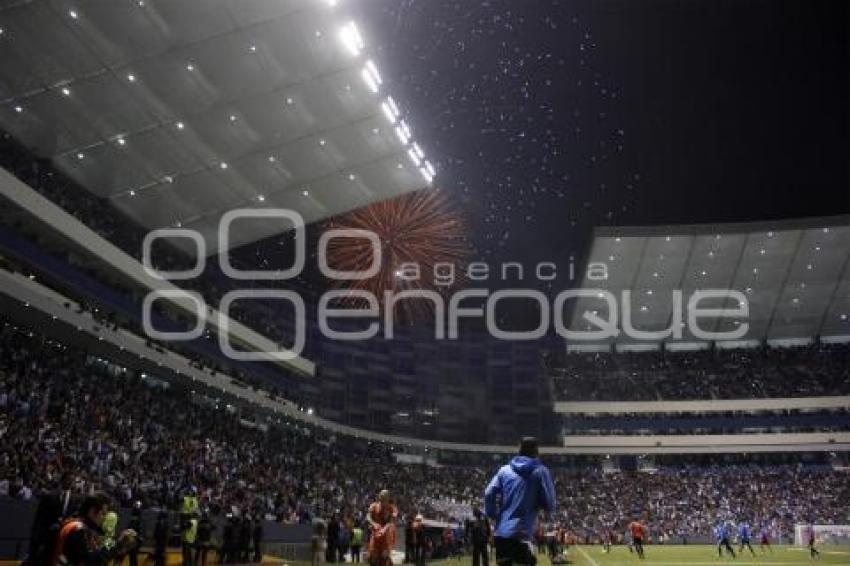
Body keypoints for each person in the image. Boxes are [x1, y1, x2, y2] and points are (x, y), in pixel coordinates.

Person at [484, 437, 556, 566]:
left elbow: (489, 493)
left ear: (519, 451)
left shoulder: (504, 470)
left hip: (502, 535)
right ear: (536, 452)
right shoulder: (541, 471)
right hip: (523, 535)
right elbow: (550, 505)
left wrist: (493, 514)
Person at [51, 492, 137, 566]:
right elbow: (91, 562)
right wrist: (117, 545)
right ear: (92, 511)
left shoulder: (80, 526)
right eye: (102, 513)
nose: (103, 518)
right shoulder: (78, 530)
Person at [25, 471, 78, 565]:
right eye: (68, 479)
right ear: (63, 480)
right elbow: (39, 519)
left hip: (60, 542)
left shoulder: (74, 499)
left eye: (72, 480)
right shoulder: (49, 495)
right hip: (45, 539)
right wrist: (36, 539)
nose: (70, 482)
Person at [367, 490, 399, 566]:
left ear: (388, 498)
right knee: (373, 556)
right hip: (376, 534)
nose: (382, 500)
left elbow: (392, 520)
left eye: (384, 498)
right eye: (381, 498)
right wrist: (373, 523)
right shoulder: (374, 506)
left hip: (387, 534)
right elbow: (368, 516)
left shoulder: (392, 508)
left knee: (384, 556)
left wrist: (385, 528)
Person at [127, 501, 144, 566]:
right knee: (133, 557)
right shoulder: (137, 520)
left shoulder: (132, 520)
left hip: (132, 541)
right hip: (134, 540)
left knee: (132, 557)